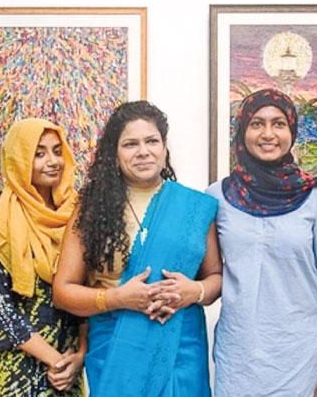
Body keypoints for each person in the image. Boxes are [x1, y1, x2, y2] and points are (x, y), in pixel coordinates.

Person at [53, 101, 222, 396]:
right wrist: (116, 298)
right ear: (114, 154)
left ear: (164, 147)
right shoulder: (92, 210)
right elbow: (63, 291)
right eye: (130, 144)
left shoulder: (193, 207)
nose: (143, 151)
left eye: (152, 141)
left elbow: (216, 278)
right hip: (116, 352)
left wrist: (193, 292)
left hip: (181, 351)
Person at [207, 88, 317, 397]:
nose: (268, 133)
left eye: (278, 124)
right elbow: (210, 278)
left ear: (291, 131)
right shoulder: (218, 197)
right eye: (257, 123)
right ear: (242, 131)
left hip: (301, 362)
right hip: (237, 361)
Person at [0, 118, 86, 396]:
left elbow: (93, 290)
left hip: (67, 370)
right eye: (39, 153)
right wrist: (55, 360)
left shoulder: (79, 214)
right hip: (13, 372)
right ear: (19, 158)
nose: (52, 161)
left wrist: (80, 355)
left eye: (57, 151)